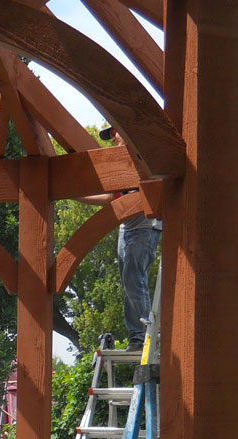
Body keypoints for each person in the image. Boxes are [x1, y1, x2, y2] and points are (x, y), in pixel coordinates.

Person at [95, 125, 162, 351]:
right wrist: (74, 195)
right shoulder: (121, 166)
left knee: (134, 278)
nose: (113, 138)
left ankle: (144, 333)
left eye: (115, 132)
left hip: (145, 228)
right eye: (111, 135)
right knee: (128, 283)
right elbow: (110, 197)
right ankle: (136, 335)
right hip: (126, 230)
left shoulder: (143, 159)